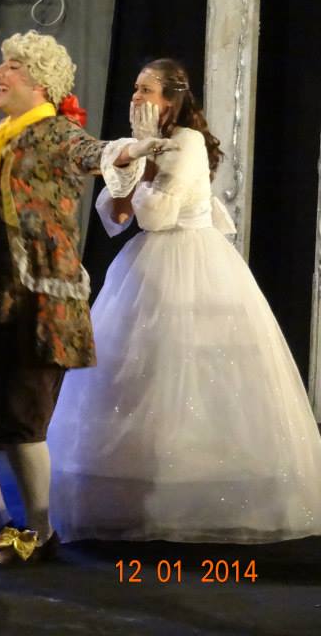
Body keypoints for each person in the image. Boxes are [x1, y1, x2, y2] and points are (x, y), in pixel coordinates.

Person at [0, 31, 169, 564]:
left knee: (21, 423)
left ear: (38, 81)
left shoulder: (55, 132)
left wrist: (131, 148)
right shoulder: (5, 137)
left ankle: (40, 530)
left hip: (37, 305)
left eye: (11, 66)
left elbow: (92, 153)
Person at [47, 58, 321, 543]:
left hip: (190, 260)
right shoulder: (139, 141)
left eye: (146, 90)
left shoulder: (188, 141)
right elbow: (116, 216)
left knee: (188, 373)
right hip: (145, 264)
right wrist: (131, 157)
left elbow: (157, 215)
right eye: (134, 88)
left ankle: (193, 499)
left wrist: (142, 162)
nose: (136, 97)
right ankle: (131, 497)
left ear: (171, 98)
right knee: (136, 375)